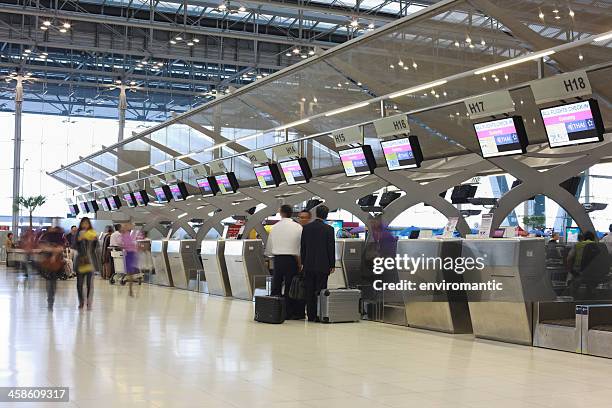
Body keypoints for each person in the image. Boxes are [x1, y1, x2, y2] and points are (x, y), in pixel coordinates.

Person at [265, 205, 303, 319]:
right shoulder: (298, 227)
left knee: (276, 285)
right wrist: (300, 262)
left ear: (281, 213)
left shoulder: (274, 227)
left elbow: (269, 247)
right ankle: (289, 312)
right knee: (290, 286)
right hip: (292, 259)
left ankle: (274, 310)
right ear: (291, 213)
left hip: (278, 259)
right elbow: (300, 246)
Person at [300, 205, 335, 322]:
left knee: (309, 290)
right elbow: (331, 248)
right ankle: (321, 314)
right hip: (323, 265)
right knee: (321, 291)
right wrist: (332, 264)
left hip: (308, 265)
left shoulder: (306, 228)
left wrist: (303, 262)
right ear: (326, 215)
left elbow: (303, 247)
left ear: (315, 213)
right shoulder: (329, 229)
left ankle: (311, 315)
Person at [72, 217, 99, 310]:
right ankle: (81, 301)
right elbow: (74, 246)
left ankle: (88, 301)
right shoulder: (77, 234)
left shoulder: (92, 233)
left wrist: (93, 240)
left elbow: (96, 247)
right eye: (83, 223)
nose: (85, 225)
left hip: (90, 261)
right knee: (79, 283)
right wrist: (79, 240)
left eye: (87, 223)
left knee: (89, 284)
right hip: (80, 261)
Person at [39, 226, 66, 310]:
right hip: (49, 263)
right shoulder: (45, 236)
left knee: (52, 282)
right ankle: (50, 300)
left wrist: (53, 252)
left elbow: (61, 248)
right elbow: (42, 246)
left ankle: (51, 300)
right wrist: (53, 250)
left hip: (56, 263)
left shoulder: (60, 237)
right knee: (50, 282)